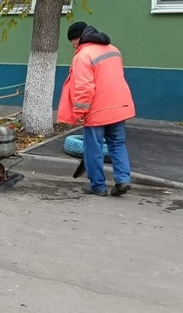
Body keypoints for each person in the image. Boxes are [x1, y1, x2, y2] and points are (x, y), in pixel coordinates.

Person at [58, 22, 135, 197]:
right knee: (117, 144)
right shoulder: (113, 49)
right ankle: (123, 180)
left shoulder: (83, 56)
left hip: (97, 110)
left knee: (93, 148)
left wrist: (80, 113)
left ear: (78, 38)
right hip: (119, 107)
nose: (72, 45)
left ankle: (97, 186)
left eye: (72, 41)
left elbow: (84, 87)